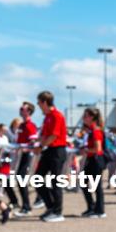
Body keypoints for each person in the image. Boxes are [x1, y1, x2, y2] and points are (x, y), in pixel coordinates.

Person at [35, 91, 67, 223]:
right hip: (49, 150)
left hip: (57, 150)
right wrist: (38, 144)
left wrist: (41, 146)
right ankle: (51, 207)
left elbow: (53, 136)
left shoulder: (56, 116)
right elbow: (44, 135)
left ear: (44, 102)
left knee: (55, 182)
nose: (38, 105)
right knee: (38, 178)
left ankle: (58, 212)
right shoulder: (47, 117)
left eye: (39, 103)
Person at [4, 102, 38, 217]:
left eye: (23, 109)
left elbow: (33, 142)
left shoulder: (30, 125)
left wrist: (25, 148)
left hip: (26, 156)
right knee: (16, 180)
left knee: (21, 180)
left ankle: (26, 207)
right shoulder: (22, 126)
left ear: (28, 111)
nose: (20, 110)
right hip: (19, 156)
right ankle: (23, 205)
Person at [80, 108, 106, 218]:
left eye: (86, 116)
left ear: (92, 117)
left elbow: (98, 149)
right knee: (83, 183)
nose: (83, 118)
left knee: (96, 186)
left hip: (95, 160)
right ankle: (91, 207)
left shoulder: (96, 130)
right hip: (91, 160)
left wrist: (86, 150)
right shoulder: (90, 130)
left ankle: (100, 210)